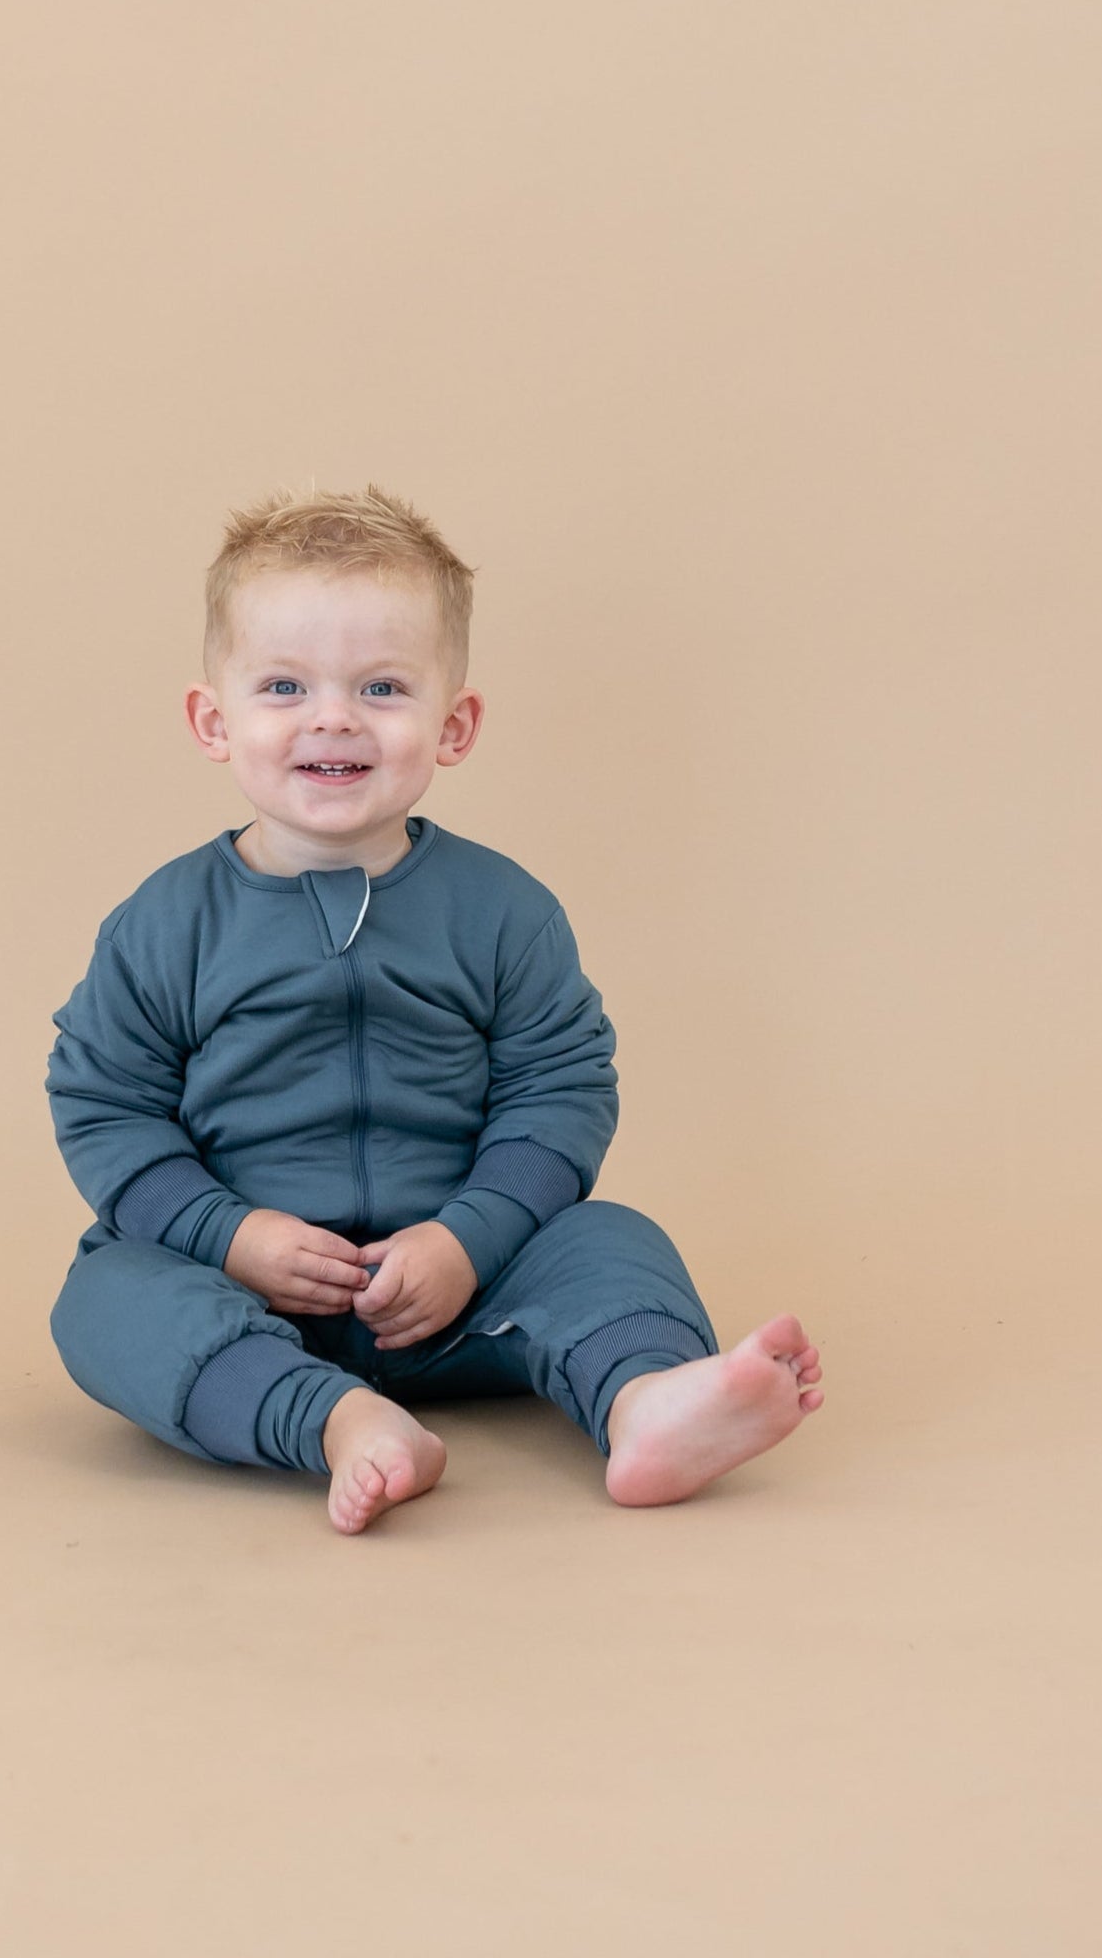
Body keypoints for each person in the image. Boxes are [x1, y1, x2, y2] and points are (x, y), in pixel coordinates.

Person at [45, 483, 824, 1533]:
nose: (331, 715)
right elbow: (105, 1104)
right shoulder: (164, 922)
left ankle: (645, 1399)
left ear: (451, 724)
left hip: (468, 1288)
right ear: (210, 719)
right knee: (103, 1298)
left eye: (380, 686)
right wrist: (228, 1235)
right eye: (281, 684)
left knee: (608, 1236)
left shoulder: (499, 909)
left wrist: (468, 1237)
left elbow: (558, 1090)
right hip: (244, 1291)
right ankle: (335, 1420)